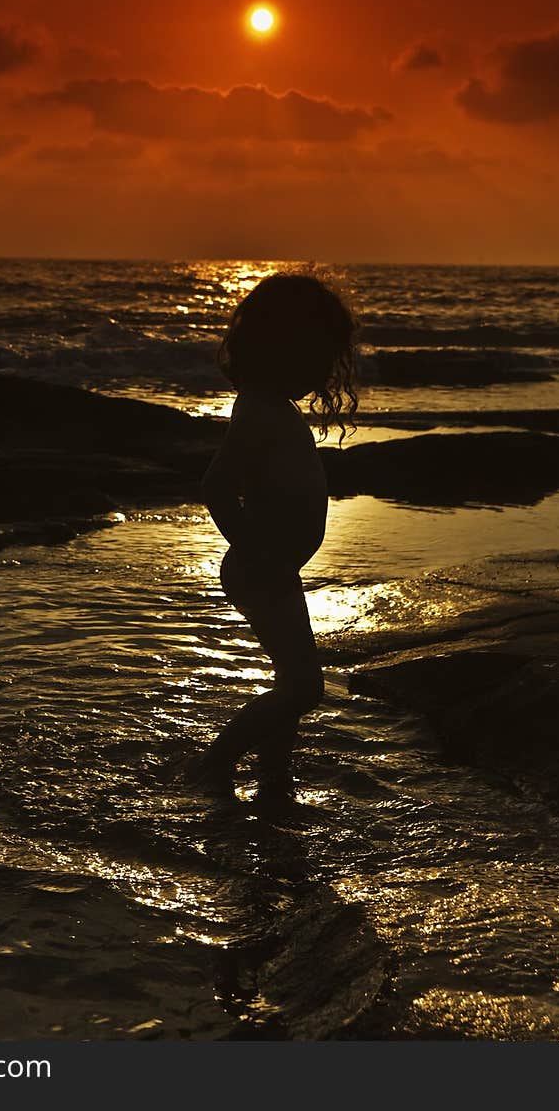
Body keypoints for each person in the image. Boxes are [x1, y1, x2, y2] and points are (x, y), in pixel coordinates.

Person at [186, 268, 358, 800]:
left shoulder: (271, 408)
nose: (324, 370)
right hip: (262, 569)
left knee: (292, 682)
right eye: (317, 357)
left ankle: (274, 779)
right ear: (285, 350)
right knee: (306, 687)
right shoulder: (260, 410)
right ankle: (212, 764)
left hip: (274, 567)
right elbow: (216, 486)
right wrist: (255, 549)